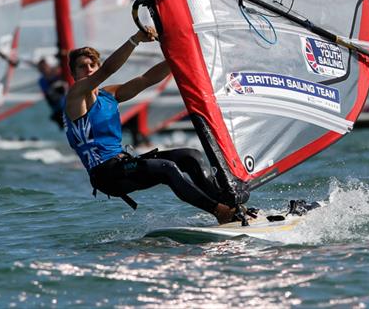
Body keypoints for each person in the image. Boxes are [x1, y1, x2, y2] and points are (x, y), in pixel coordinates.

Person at [63, 28, 240, 224]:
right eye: (82, 66)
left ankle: (230, 205)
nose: (88, 69)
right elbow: (108, 70)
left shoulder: (109, 95)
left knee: (191, 156)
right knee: (167, 168)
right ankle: (219, 212)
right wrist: (135, 39)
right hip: (105, 174)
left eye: (92, 65)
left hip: (123, 163)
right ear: (73, 73)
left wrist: (177, 57)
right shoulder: (76, 96)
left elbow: (146, 80)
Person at [37, 58, 67, 129]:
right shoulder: (42, 80)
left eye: (45, 67)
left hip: (68, 106)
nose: (44, 70)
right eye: (41, 69)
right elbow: (48, 91)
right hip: (59, 110)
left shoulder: (58, 73)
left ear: (48, 66)